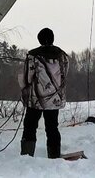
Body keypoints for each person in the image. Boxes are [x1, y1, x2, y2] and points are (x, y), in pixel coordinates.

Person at [20, 28, 69, 159]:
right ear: (52, 39)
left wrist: (24, 91)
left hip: (35, 99)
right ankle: (54, 155)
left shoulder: (32, 55)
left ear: (39, 39)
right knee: (52, 127)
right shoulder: (63, 56)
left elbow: (27, 77)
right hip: (54, 99)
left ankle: (26, 155)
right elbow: (64, 76)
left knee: (30, 126)